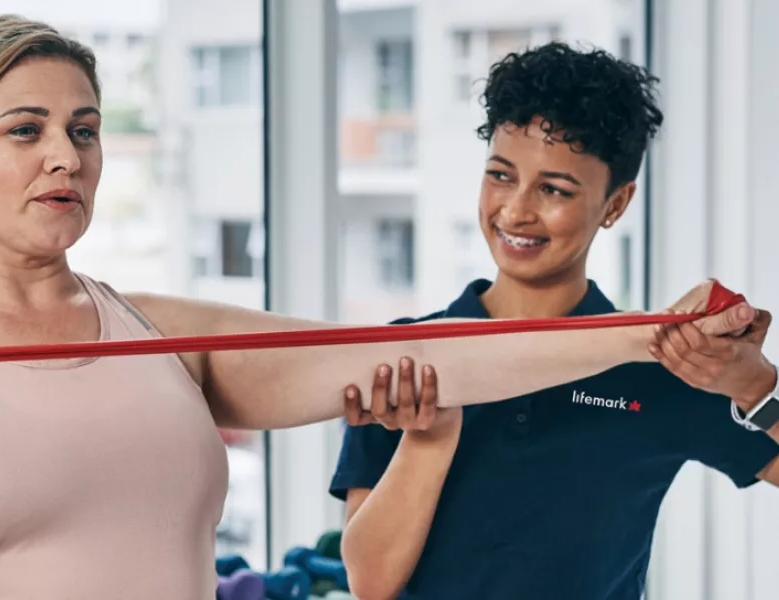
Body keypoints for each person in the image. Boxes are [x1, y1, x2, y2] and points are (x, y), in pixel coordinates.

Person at [0, 18, 750, 600]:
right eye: (26, 129)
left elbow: (449, 361)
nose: (67, 156)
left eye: (85, 130)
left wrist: (658, 340)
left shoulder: (166, 339)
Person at [331, 42, 779, 600]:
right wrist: (428, 441)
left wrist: (756, 386)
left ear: (615, 204)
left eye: (553, 189)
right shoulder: (406, 357)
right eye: (500, 175)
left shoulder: (661, 365)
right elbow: (369, 583)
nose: (516, 210)